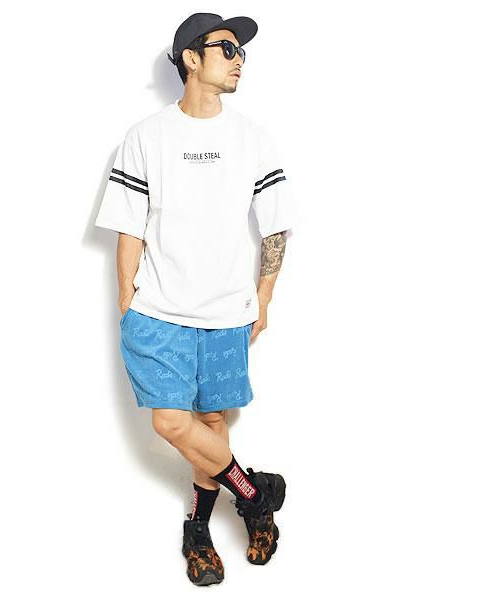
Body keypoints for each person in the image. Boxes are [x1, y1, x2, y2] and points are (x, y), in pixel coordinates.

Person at [95, 12, 300, 586]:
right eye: (227, 48)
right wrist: (126, 302)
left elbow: (276, 226)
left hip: (228, 312)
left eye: (242, 52)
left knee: (211, 422)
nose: (239, 60)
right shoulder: (146, 136)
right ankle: (254, 495)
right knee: (171, 422)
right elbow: (129, 226)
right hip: (158, 312)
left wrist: (264, 298)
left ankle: (199, 532)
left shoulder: (253, 139)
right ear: (190, 57)